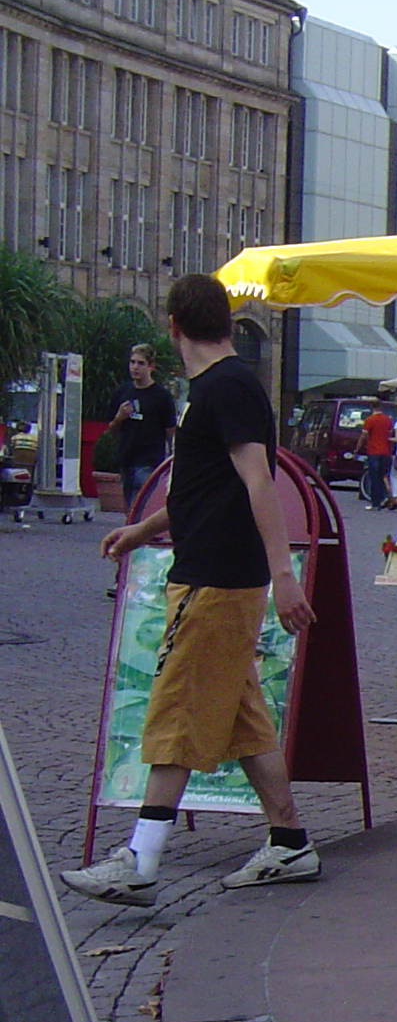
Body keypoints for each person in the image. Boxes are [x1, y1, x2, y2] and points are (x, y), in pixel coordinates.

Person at [63, 274, 321, 908]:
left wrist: (284, 575)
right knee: (243, 719)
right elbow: (202, 486)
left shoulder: (225, 388)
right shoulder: (217, 389)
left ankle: (141, 859)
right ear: (226, 323)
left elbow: (259, 482)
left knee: (176, 708)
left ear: (172, 327)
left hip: (215, 581)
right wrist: (142, 529)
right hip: (215, 575)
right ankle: (289, 840)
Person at [108, 344, 178, 512]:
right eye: (132, 362)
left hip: (149, 461)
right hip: (127, 459)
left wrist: (172, 461)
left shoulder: (161, 396)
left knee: (140, 510)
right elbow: (112, 430)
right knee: (129, 511)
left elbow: (171, 432)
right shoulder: (123, 392)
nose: (135, 367)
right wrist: (119, 418)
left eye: (140, 363)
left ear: (150, 366)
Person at [359, 402, 394, 509]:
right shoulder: (388, 420)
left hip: (373, 451)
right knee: (382, 476)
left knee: (374, 478)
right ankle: (383, 498)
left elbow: (363, 436)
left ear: (372, 408)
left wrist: (357, 448)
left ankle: (375, 503)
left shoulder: (369, 420)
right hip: (386, 451)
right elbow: (390, 435)